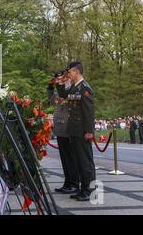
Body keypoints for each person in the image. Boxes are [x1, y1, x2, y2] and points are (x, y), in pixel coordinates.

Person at [57, 61, 96, 201]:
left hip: (82, 130)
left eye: (70, 72)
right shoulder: (75, 87)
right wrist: (60, 82)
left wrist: (88, 131)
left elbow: (89, 112)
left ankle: (90, 190)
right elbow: (63, 95)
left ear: (77, 71)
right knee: (79, 161)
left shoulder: (85, 88)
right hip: (74, 130)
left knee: (86, 161)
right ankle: (83, 189)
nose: (69, 74)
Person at [47, 70, 79, 194]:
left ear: (66, 78)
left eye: (60, 79)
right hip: (60, 127)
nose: (58, 82)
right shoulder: (59, 90)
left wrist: (59, 86)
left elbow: (70, 100)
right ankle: (67, 182)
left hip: (69, 126)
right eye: (57, 80)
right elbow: (51, 98)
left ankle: (74, 183)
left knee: (71, 157)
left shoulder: (71, 88)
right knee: (64, 158)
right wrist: (50, 86)